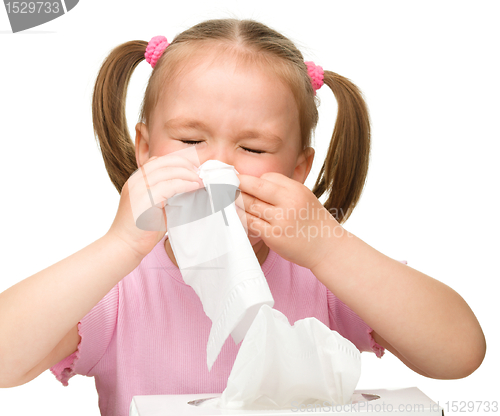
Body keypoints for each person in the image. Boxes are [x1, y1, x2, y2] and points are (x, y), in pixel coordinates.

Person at [0, 18, 486, 416]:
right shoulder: (119, 287)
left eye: (252, 147)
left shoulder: (322, 276)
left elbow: (459, 353)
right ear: (146, 151)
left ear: (298, 170)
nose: (219, 166)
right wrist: (120, 245)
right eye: (191, 139)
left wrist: (329, 245)